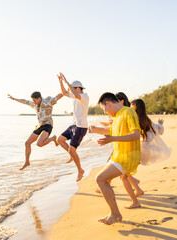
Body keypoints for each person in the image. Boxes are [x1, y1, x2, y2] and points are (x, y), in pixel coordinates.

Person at [89, 92, 141, 225]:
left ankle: (115, 214)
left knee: (100, 179)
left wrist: (112, 139)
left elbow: (135, 135)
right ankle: (115, 213)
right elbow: (111, 132)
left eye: (104, 109)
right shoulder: (117, 116)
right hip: (119, 155)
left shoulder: (129, 112)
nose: (106, 112)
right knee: (103, 180)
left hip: (127, 156)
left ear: (108, 103)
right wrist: (95, 129)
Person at [7, 91, 63, 170]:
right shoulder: (34, 105)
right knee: (27, 143)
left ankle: (53, 138)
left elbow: (58, 96)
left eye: (35, 100)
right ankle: (27, 162)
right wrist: (14, 99)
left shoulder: (47, 102)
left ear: (39, 98)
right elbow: (25, 101)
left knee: (39, 144)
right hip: (39, 126)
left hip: (48, 126)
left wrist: (67, 91)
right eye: (33, 100)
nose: (33, 102)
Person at [57, 73, 89, 182]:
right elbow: (64, 93)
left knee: (72, 149)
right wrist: (61, 81)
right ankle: (71, 154)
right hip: (73, 125)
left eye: (73, 88)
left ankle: (80, 170)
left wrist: (66, 81)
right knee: (60, 140)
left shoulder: (84, 96)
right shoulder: (75, 96)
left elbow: (74, 94)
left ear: (78, 88)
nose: (71, 90)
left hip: (81, 127)